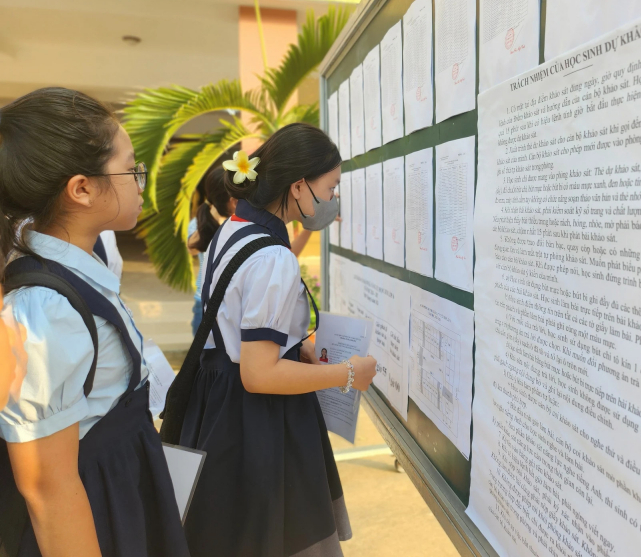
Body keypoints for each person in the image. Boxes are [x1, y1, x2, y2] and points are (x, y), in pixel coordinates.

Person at [0, 88, 190, 557]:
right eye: (131, 168)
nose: (141, 180)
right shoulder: (46, 312)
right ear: (81, 188)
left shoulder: (76, 270)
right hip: (96, 514)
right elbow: (49, 490)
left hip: (117, 491)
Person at [178, 123, 377, 557]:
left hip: (219, 409)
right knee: (278, 536)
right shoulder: (272, 256)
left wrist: (294, 346)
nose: (332, 199)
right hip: (259, 424)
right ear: (299, 186)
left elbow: (235, 327)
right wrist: (347, 373)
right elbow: (258, 373)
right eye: (331, 187)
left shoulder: (234, 228)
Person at [187, 167, 237, 335]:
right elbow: (192, 249)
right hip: (205, 303)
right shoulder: (200, 223)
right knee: (202, 360)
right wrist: (211, 220)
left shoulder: (239, 223)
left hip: (231, 304)